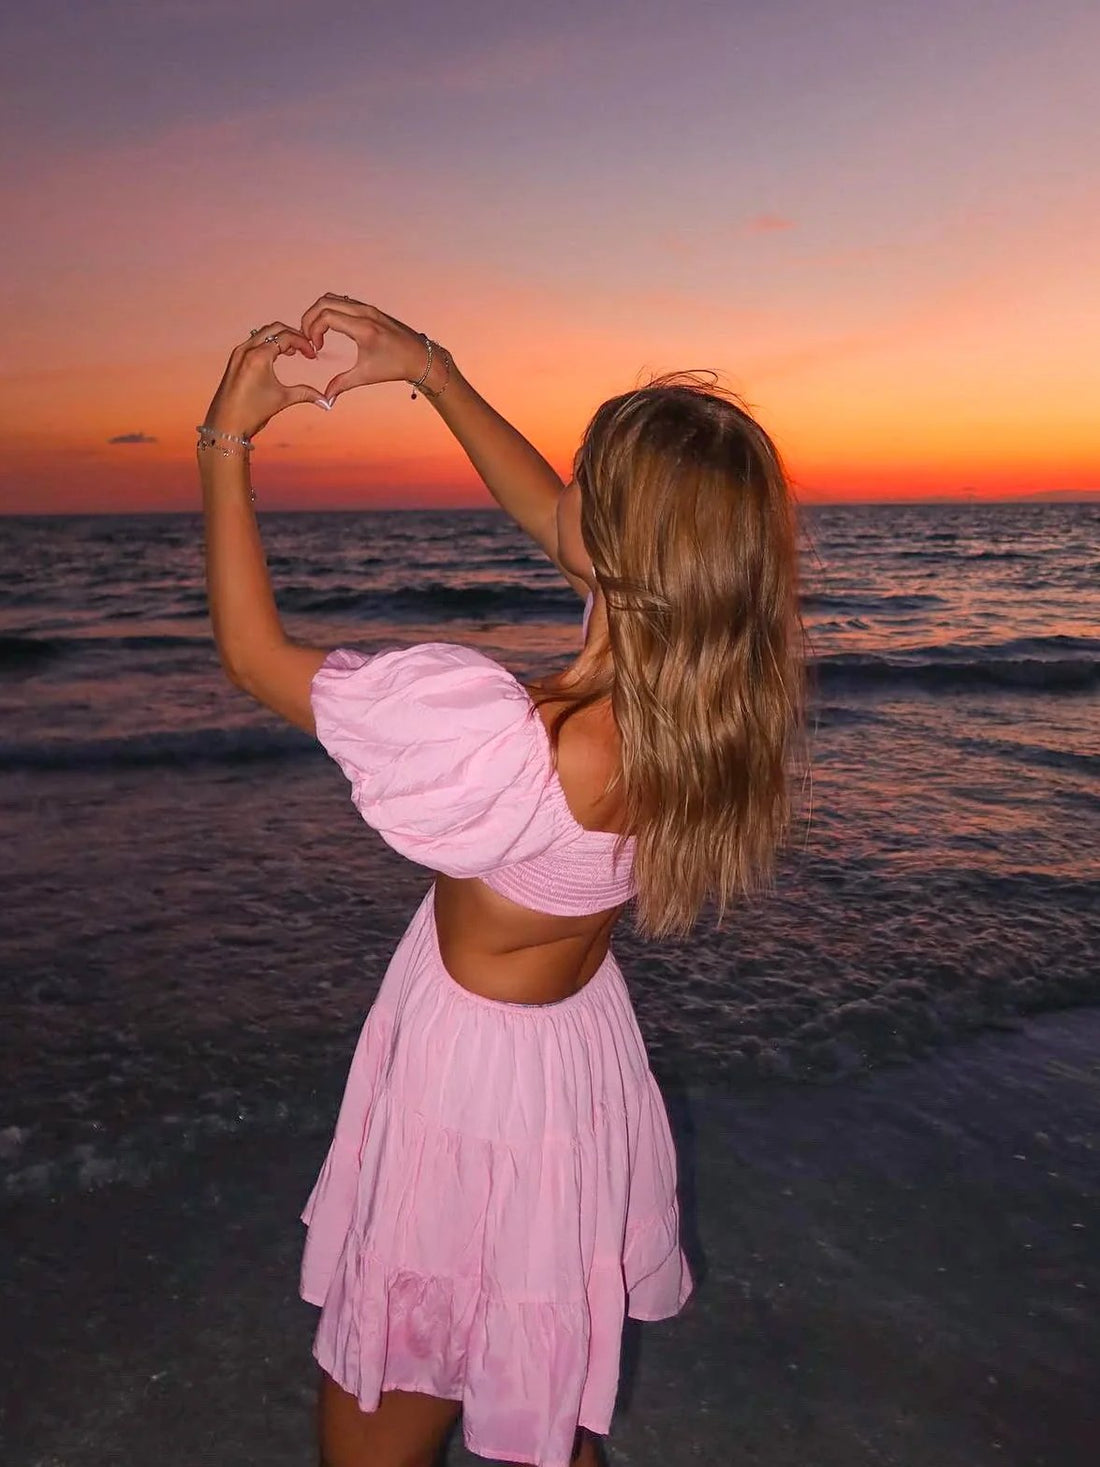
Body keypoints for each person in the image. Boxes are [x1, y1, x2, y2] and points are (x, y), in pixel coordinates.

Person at [198, 295, 807, 1467]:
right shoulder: (704, 701)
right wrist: (427, 369)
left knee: (384, 1413)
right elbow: (551, 519)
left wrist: (226, 439)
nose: (557, 486)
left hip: (469, 1088)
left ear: (621, 543)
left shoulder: (525, 738)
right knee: (527, 1364)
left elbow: (249, 655)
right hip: (568, 1059)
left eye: (582, 471)